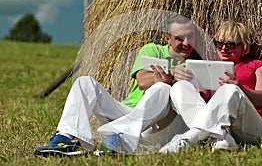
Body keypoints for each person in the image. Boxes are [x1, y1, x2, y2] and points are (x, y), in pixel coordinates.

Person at [35, 14, 202, 156]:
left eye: (190, 37)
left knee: (162, 88)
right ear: (168, 37)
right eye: (179, 38)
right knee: (84, 82)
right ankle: (68, 138)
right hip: (127, 112)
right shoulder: (153, 50)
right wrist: (171, 74)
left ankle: (123, 138)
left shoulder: (198, 66)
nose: (186, 43)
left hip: (157, 126)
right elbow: (143, 81)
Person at [159, 20, 262, 153]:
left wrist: (240, 88)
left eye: (230, 45)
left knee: (230, 89)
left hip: (249, 128)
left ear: (244, 47)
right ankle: (222, 138)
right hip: (216, 125)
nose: (224, 49)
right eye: (220, 44)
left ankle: (189, 139)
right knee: (179, 87)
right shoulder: (208, 66)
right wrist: (203, 95)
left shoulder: (257, 65)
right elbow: (201, 105)